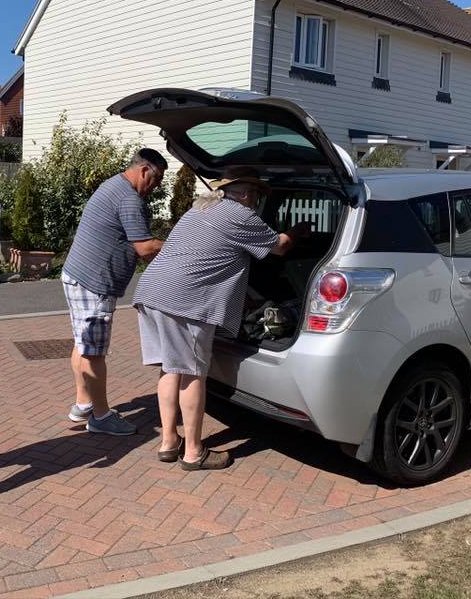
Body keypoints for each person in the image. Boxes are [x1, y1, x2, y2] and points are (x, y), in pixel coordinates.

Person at [133, 166, 307, 471]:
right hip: (184, 302)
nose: (256, 202)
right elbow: (280, 247)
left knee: (170, 368)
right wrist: (299, 232)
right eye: (256, 196)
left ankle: (169, 442)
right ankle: (194, 453)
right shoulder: (240, 215)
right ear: (246, 194)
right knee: (192, 374)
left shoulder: (199, 210)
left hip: (152, 292)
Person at [62, 148, 168, 436]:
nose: (156, 186)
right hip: (94, 283)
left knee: (83, 343)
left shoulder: (113, 184)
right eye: (157, 179)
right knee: (93, 352)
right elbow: (145, 248)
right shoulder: (128, 198)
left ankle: (83, 403)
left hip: (78, 275)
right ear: (144, 170)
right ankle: (100, 416)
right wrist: (177, 245)